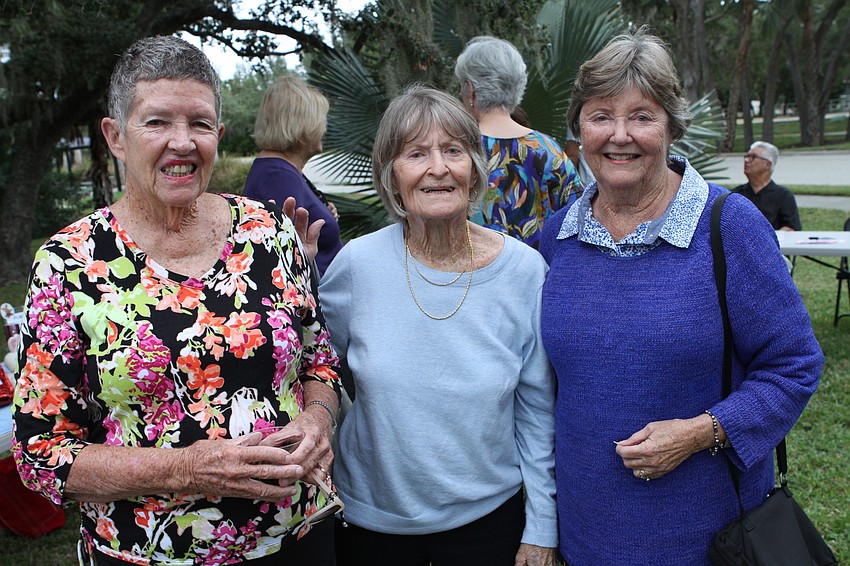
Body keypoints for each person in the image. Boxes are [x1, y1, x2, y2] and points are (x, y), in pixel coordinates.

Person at [12, 36, 341, 565]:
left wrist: (318, 422)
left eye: (200, 124)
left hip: (295, 538)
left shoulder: (270, 232)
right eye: (157, 122)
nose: (182, 142)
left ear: (219, 133)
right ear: (116, 136)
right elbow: (41, 455)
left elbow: (320, 362)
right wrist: (187, 468)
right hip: (149, 553)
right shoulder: (68, 263)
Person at [539, 30, 823, 565]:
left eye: (641, 116)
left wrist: (700, 433)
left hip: (704, 538)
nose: (619, 136)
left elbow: (795, 365)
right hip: (584, 532)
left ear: (671, 126)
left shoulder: (729, 226)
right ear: (578, 127)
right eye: (601, 116)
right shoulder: (556, 238)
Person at [317, 85, 557, 566]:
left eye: (453, 150)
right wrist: (293, 294)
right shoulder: (357, 266)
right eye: (416, 154)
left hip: (490, 524)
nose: (438, 168)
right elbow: (316, 370)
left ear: (475, 168)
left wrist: (543, 530)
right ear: (392, 175)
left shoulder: (523, 272)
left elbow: (537, 413)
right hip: (370, 525)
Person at [455, 36, 580, 249]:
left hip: (471, 279)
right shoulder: (549, 149)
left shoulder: (458, 151)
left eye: (461, 86)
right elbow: (578, 217)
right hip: (540, 278)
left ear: (470, 89)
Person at [244, 76, 344, 275]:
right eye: (320, 120)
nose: (324, 128)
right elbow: (288, 258)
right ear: (302, 127)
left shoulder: (281, 170)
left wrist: (322, 212)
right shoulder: (278, 177)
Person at [732, 141, 802, 231]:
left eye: (753, 157)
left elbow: (791, 227)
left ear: (768, 165)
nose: (746, 160)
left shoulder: (783, 196)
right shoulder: (736, 195)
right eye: (746, 156)